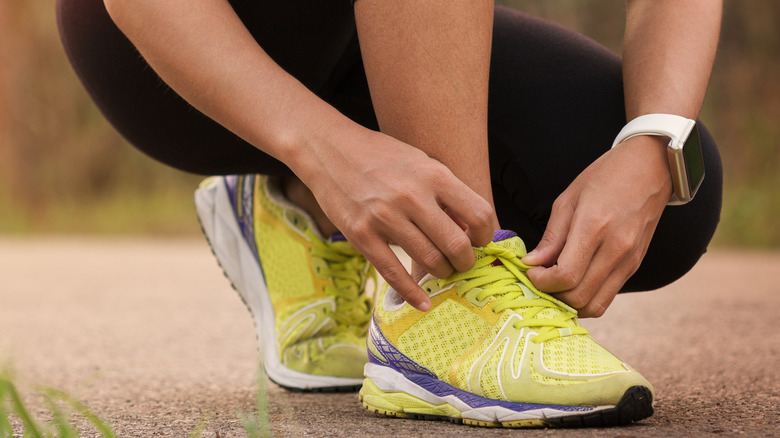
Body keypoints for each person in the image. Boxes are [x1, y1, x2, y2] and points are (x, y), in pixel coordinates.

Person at [57, 0, 723, 428]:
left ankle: (297, 214)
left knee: (678, 210)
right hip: (168, 44)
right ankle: (454, 293)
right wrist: (321, 149)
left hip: (368, 33)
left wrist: (654, 143)